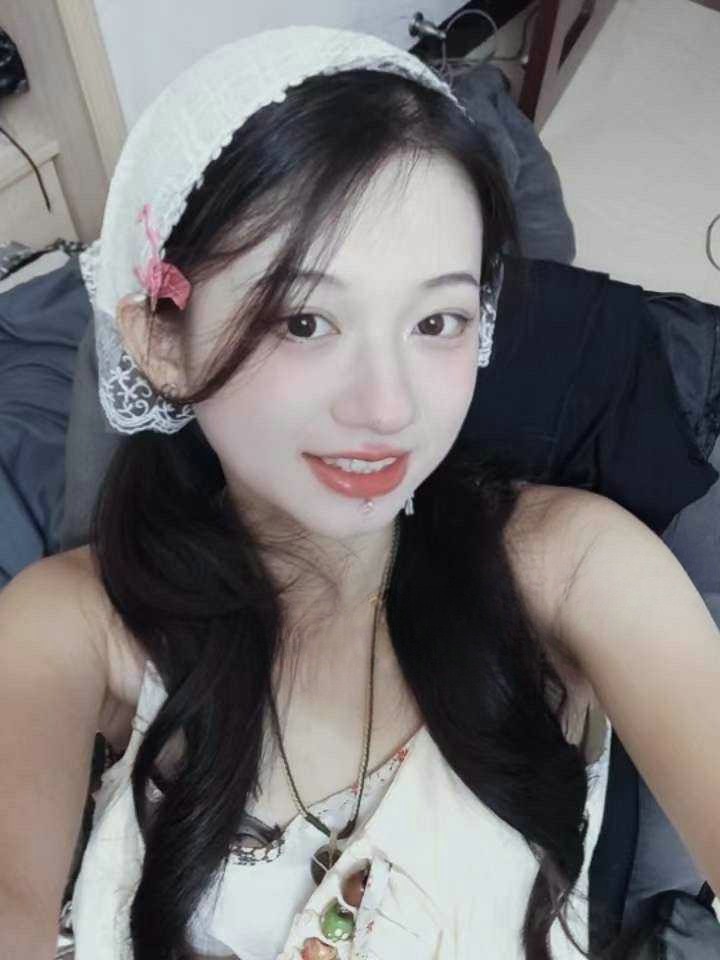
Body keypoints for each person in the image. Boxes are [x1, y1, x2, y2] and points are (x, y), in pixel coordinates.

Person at [0, 25, 717, 960]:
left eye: (437, 321)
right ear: (162, 342)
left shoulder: (575, 566)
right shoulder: (70, 626)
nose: (388, 408)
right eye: (305, 321)